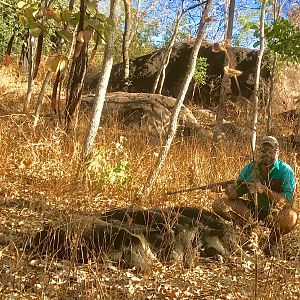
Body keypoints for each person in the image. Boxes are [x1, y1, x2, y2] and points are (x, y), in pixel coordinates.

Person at [212, 136, 298, 256]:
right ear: (259, 151)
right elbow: (235, 193)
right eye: (263, 150)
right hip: (252, 211)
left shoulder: (286, 171)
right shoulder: (250, 168)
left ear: (277, 153)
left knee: (290, 217)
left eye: (270, 151)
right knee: (219, 204)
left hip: (274, 214)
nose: (266, 154)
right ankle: (249, 232)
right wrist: (225, 190)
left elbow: (288, 201)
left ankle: (272, 242)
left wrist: (264, 189)